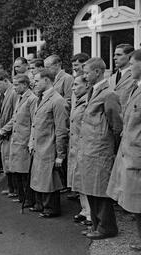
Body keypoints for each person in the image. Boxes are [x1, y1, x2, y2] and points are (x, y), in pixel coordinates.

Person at [107, 48, 141, 255]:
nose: (128, 67)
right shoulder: (138, 88)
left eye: (132, 63)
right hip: (131, 155)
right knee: (136, 203)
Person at [80, 57, 122, 240]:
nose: (84, 76)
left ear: (97, 72)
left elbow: (117, 125)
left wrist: (108, 144)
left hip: (100, 149)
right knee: (91, 187)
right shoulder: (94, 91)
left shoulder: (108, 94)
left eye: (87, 72)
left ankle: (107, 227)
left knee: (100, 189)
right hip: (89, 149)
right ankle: (97, 225)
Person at [29, 69, 69, 218]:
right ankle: (41, 204)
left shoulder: (57, 100)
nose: (34, 83)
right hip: (39, 145)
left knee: (49, 179)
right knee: (39, 177)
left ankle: (51, 208)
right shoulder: (41, 98)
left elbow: (61, 129)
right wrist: (31, 142)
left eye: (37, 80)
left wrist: (60, 154)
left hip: (49, 146)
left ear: (47, 80)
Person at [0, 74, 38, 207]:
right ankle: (22, 197)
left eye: (16, 85)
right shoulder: (19, 98)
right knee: (18, 171)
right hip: (16, 140)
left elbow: (34, 122)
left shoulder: (32, 99)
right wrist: (3, 130)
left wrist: (31, 141)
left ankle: (29, 199)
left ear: (25, 85)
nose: (14, 87)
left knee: (25, 172)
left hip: (25, 140)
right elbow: (14, 118)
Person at [68, 75, 92, 226]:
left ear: (87, 85)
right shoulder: (78, 101)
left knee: (85, 180)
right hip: (75, 146)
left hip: (84, 147)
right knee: (78, 180)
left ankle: (91, 214)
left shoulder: (88, 102)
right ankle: (85, 210)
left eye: (76, 85)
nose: (73, 87)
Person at [0, 71, 17, 198]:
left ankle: (15, 189)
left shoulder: (13, 93)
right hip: (4, 133)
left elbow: (16, 116)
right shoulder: (0, 95)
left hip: (12, 133)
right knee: (6, 161)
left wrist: (4, 129)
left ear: (6, 81)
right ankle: (11, 187)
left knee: (11, 161)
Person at [109, 44, 135, 116]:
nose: (114, 58)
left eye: (119, 55)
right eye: (114, 55)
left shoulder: (135, 76)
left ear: (129, 56)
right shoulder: (112, 77)